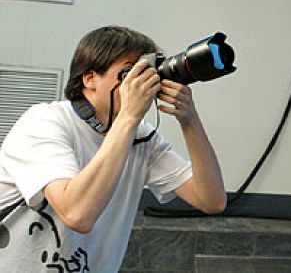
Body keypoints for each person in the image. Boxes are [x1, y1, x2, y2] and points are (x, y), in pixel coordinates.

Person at [0, 26, 226, 272]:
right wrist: (128, 117)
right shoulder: (44, 122)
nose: (140, 83)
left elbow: (211, 200)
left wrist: (190, 121)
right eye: (129, 72)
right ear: (90, 79)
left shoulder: (142, 138)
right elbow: (77, 214)